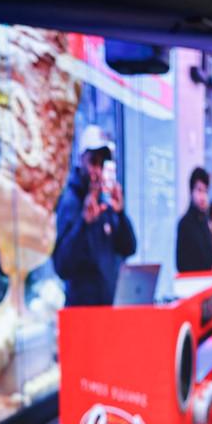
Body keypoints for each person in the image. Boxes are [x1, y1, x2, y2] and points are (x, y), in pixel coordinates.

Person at [53, 126, 137, 306]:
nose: (97, 171)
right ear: (81, 160)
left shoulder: (105, 202)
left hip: (108, 309)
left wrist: (120, 214)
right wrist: (83, 224)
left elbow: (128, 248)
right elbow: (62, 266)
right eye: (93, 162)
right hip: (82, 316)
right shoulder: (70, 202)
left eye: (102, 163)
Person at [176, 167, 212, 272]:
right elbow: (181, 264)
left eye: (205, 191)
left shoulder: (205, 222)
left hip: (209, 283)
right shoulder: (184, 224)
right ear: (191, 191)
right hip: (194, 284)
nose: (203, 196)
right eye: (199, 190)